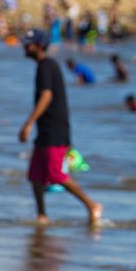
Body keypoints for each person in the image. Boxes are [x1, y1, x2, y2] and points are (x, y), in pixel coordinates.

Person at [20, 30, 101, 225]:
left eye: (28, 43)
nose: (25, 46)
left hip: (53, 130)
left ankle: (91, 205)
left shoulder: (46, 66)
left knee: (56, 174)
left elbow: (46, 96)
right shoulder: (45, 65)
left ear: (39, 45)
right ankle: (42, 215)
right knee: (35, 175)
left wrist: (29, 123)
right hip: (46, 129)